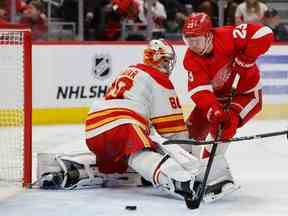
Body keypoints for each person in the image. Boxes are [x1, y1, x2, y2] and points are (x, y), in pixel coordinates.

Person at [38, 39, 201, 203]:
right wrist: (188, 161)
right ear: (157, 59)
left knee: (117, 165)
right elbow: (173, 132)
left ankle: (74, 170)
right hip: (123, 125)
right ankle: (180, 181)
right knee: (139, 154)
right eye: (165, 60)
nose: (168, 65)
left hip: (94, 128)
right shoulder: (159, 78)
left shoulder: (129, 70)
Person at [182, 12, 273, 201]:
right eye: (188, 41)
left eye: (197, 40)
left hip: (246, 95)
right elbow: (199, 91)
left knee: (225, 125)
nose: (192, 46)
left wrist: (247, 58)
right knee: (191, 132)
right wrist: (213, 109)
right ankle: (185, 173)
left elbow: (264, 33)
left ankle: (212, 174)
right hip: (217, 97)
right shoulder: (191, 59)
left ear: (209, 35)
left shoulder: (229, 35)